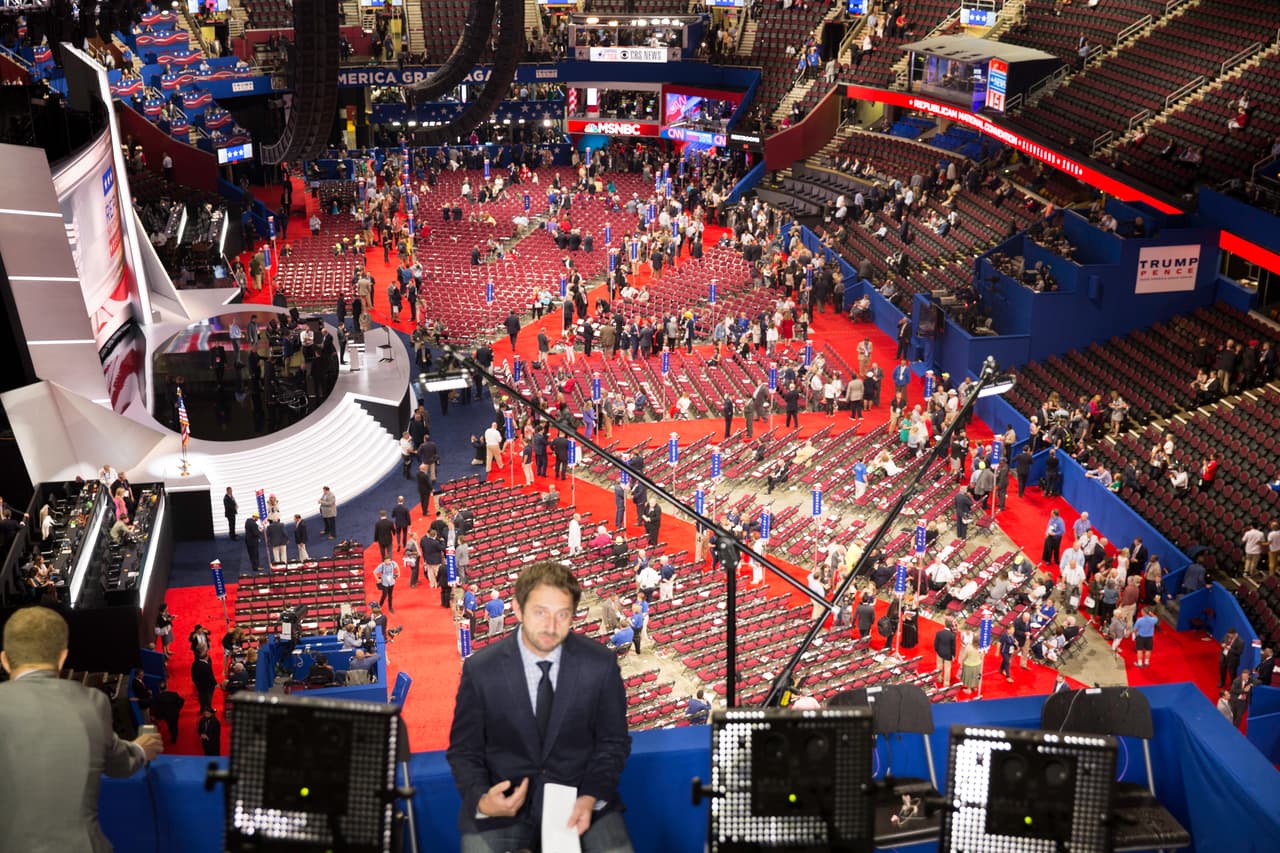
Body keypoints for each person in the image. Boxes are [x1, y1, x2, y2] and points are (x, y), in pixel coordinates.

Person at [446, 561, 634, 851]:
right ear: (518, 610)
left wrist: (589, 796)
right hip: (503, 809)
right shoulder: (481, 669)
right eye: (540, 612)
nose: (551, 626)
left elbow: (613, 743)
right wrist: (483, 799)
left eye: (563, 614)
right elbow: (464, 750)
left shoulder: (600, 664)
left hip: (581, 800)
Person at [0, 606, 164, 851]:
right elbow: (119, 764)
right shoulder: (92, 702)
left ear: (4, 660)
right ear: (62, 656)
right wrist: (140, 750)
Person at [934, 616, 956, 687]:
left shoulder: (939, 633)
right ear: (951, 626)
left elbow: (935, 644)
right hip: (948, 655)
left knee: (939, 666)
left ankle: (939, 678)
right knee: (947, 669)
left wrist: (937, 651)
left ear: (945, 624)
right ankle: (946, 684)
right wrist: (953, 655)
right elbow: (953, 647)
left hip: (939, 652)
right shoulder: (952, 635)